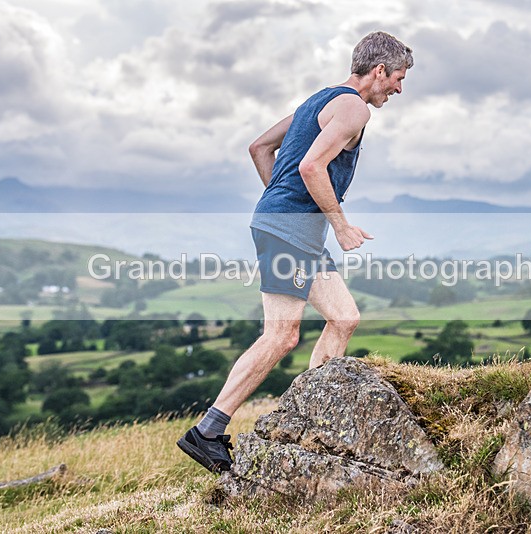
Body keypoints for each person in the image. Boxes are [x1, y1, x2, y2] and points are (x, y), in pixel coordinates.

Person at [177, 31, 413, 473]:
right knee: (281, 335)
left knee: (344, 317)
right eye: (398, 78)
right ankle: (207, 431)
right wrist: (338, 224)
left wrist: (283, 203)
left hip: (292, 228)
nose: (399, 89)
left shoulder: (318, 101)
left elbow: (259, 147)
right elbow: (310, 166)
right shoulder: (354, 108)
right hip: (292, 230)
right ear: (379, 71)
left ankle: (311, 415)